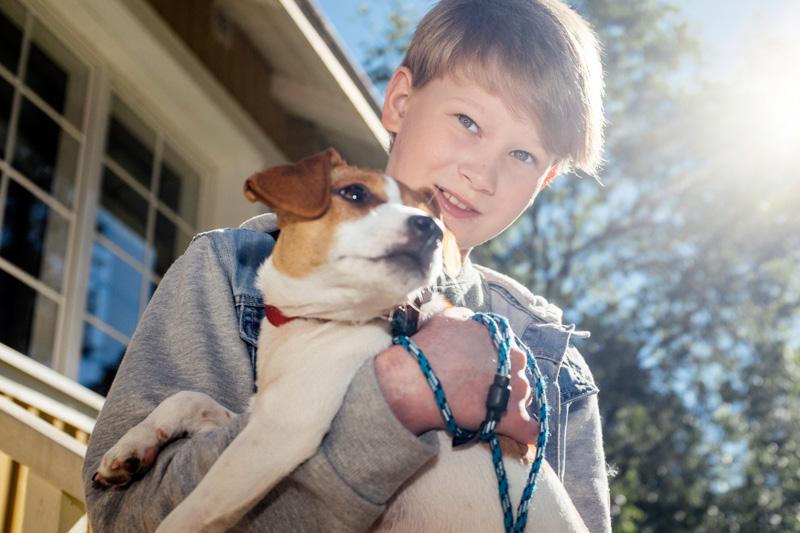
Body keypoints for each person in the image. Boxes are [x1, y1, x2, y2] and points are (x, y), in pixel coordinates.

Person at [82, 0, 610, 531]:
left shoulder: (553, 366)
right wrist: (402, 397)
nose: (481, 173)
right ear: (401, 102)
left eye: (522, 156)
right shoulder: (232, 271)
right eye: (468, 121)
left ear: (545, 181)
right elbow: (119, 519)